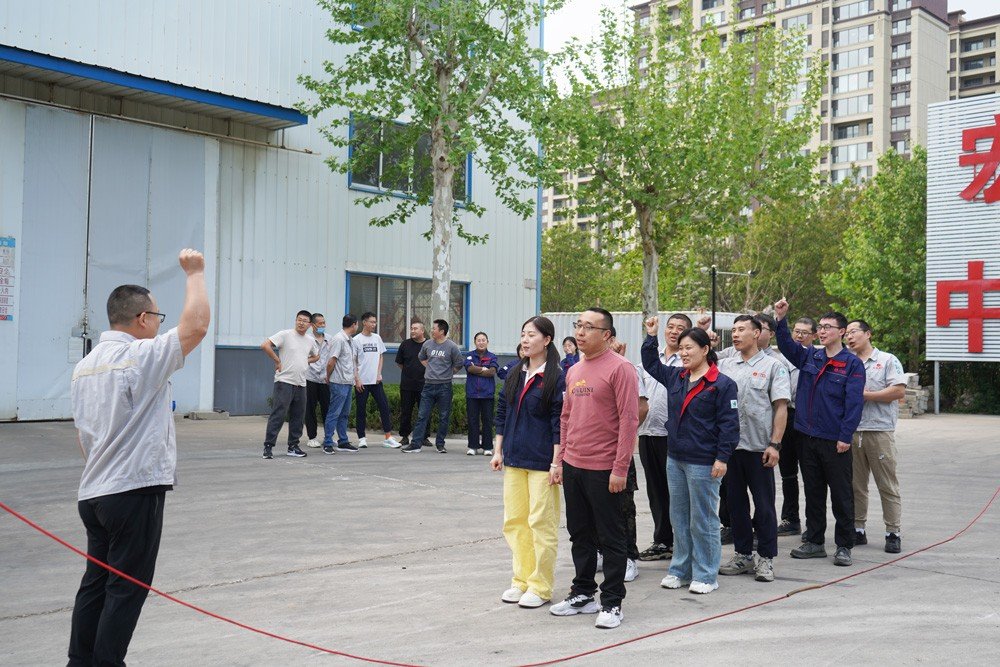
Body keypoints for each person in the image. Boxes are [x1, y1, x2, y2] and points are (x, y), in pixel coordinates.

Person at [68, 249, 210, 666]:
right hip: (132, 491)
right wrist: (195, 273)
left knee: (96, 582)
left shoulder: (85, 366)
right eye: (158, 317)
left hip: (94, 493)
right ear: (144, 319)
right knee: (127, 587)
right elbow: (197, 326)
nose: (161, 324)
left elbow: (83, 436)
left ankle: (80, 660)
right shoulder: (141, 356)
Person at [549, 308, 638, 630]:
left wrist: (620, 468)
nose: (580, 332)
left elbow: (629, 420)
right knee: (580, 534)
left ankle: (612, 602)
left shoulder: (621, 368)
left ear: (607, 335)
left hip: (605, 468)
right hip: (574, 465)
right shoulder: (574, 370)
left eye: (589, 327)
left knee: (611, 537)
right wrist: (561, 460)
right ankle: (583, 593)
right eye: (578, 325)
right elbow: (566, 417)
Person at [642, 321, 739, 595]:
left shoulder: (722, 384)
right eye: (681, 348)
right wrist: (651, 336)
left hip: (704, 461)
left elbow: (730, 425)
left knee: (703, 519)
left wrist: (722, 457)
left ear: (705, 349)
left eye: (689, 348)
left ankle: (706, 574)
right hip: (676, 458)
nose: (683, 353)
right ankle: (680, 570)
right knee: (679, 517)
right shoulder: (677, 377)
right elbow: (651, 363)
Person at [774, 300, 865, 567]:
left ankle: (844, 545)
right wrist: (781, 319)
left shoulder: (852, 364)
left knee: (841, 495)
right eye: (821, 327)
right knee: (813, 492)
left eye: (828, 327)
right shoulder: (810, 356)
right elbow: (787, 346)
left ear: (842, 331)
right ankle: (814, 541)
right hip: (807, 437)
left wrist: (845, 436)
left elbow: (854, 404)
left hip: (834, 440)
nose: (822, 331)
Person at [492, 316, 565, 609]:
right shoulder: (514, 372)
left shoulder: (556, 377)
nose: (525, 339)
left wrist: (557, 462)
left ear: (547, 340)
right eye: (523, 334)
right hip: (513, 459)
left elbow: (559, 422)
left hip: (542, 462)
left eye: (532, 335)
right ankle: (520, 580)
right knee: (515, 522)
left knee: (541, 523)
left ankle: (540, 586)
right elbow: (502, 411)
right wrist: (498, 451)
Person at [716, 315, 790, 583]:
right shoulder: (724, 365)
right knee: (735, 505)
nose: (735, 334)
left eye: (741, 330)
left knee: (764, 506)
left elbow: (780, 407)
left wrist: (775, 444)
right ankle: (743, 555)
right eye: (734, 330)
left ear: (757, 333)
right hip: (731, 448)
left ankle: (766, 558)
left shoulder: (773, 366)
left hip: (760, 448)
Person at [845, 319, 906, 554]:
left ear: (868, 334)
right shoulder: (847, 362)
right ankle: (858, 529)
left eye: (854, 332)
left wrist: (866, 395)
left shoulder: (887, 360)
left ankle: (893, 532)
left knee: (887, 485)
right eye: (847, 333)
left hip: (879, 431)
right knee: (856, 486)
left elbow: (898, 390)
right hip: (852, 432)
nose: (850, 337)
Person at [636, 313, 690, 563]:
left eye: (680, 328)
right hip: (648, 433)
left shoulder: (687, 361)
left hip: (673, 436)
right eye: (670, 327)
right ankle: (662, 541)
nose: (674, 331)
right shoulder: (650, 359)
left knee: (677, 492)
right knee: (656, 491)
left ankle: (683, 542)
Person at [261, 310, 320, 459]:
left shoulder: (310, 340)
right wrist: (277, 360)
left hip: (301, 383)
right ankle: (268, 446)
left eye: (304, 321)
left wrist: (305, 361)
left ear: (310, 325)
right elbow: (265, 345)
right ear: (295, 320)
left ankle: (293, 446)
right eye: (299, 319)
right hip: (284, 381)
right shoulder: (285, 334)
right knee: (279, 414)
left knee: (298, 416)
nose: (301, 323)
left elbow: (316, 356)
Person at [778, 316, 816, 536]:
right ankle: (790, 518)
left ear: (814, 336)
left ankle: (813, 525)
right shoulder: (780, 359)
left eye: (804, 332)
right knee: (787, 472)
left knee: (811, 473)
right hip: (786, 415)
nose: (799, 336)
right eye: (796, 331)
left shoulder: (816, 358)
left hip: (808, 419)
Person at [402, 319, 465, 454]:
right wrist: (429, 368)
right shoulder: (427, 344)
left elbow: (459, 363)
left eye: (434, 329)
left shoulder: (452, 346)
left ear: (441, 331)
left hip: (444, 387)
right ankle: (415, 444)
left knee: (444, 416)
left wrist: (449, 372)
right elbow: (421, 357)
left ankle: (440, 444)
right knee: (422, 415)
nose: (431, 331)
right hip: (428, 386)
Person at [353, 312, 402, 449]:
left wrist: (379, 373)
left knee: (384, 407)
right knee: (361, 410)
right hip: (362, 382)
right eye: (371, 322)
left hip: (376, 381)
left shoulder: (377, 338)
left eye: (375, 322)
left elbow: (380, 356)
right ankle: (362, 438)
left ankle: (388, 437)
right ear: (364, 322)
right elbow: (353, 361)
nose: (374, 324)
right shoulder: (356, 340)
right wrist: (357, 379)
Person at [322, 315, 361, 454]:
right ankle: (327, 442)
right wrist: (328, 377)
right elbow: (331, 362)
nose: (357, 326)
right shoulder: (339, 339)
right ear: (354, 324)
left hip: (348, 382)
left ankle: (343, 441)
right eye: (357, 324)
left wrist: (356, 379)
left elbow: (352, 362)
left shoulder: (350, 340)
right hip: (338, 382)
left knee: (344, 414)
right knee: (334, 413)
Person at [465, 331, 499, 456]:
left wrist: (477, 369)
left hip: (487, 394)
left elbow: (492, 372)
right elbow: (469, 368)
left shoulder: (492, 356)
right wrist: (484, 369)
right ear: (475, 342)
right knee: (472, 420)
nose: (481, 342)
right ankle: (473, 446)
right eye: (478, 340)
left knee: (487, 421)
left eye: (483, 340)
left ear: (487, 342)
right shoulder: (469, 355)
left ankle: (487, 447)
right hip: (472, 393)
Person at [395, 320, 427, 447]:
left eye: (415, 329)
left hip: (424, 384)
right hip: (407, 384)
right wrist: (409, 371)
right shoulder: (405, 344)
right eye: (411, 328)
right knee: (406, 411)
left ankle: (424, 437)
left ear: (422, 331)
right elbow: (400, 363)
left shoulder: (429, 345)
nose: (412, 331)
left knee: (424, 412)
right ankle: (404, 436)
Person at [305, 313, 334, 448]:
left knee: (327, 409)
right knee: (310, 409)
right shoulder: (307, 339)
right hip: (310, 377)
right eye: (320, 323)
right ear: (312, 325)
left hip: (325, 379)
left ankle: (328, 437)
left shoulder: (330, 339)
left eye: (324, 323)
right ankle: (312, 437)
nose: (322, 325)